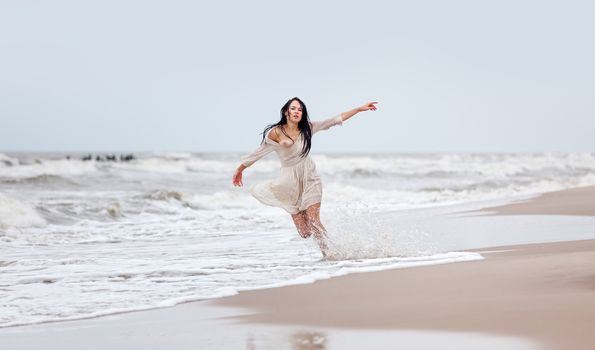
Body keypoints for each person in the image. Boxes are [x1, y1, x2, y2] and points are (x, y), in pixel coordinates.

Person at [232, 97, 378, 257]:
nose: (296, 112)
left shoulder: (308, 128)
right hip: (289, 183)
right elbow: (259, 152)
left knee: (314, 220)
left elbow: (334, 120)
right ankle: (326, 245)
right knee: (305, 232)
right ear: (286, 112)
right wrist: (240, 169)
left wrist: (358, 109)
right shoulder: (276, 132)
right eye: (293, 108)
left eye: (300, 109)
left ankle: (331, 254)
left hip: (310, 177)